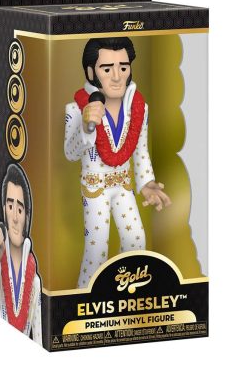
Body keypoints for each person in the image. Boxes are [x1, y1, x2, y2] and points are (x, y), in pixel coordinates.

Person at [64, 37, 171, 288]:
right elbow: (70, 153)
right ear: (91, 72)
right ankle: (85, 298)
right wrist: (86, 126)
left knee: (136, 240)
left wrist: (147, 182)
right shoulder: (76, 109)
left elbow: (140, 149)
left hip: (123, 185)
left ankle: (122, 292)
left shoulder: (139, 108)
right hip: (94, 188)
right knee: (96, 251)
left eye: (123, 67)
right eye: (107, 68)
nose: (116, 76)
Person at [0, 164, 42, 344]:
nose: (14, 217)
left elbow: (38, 338)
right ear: (4, 209)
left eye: (20, 210)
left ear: (26, 217)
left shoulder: (35, 281)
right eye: (10, 206)